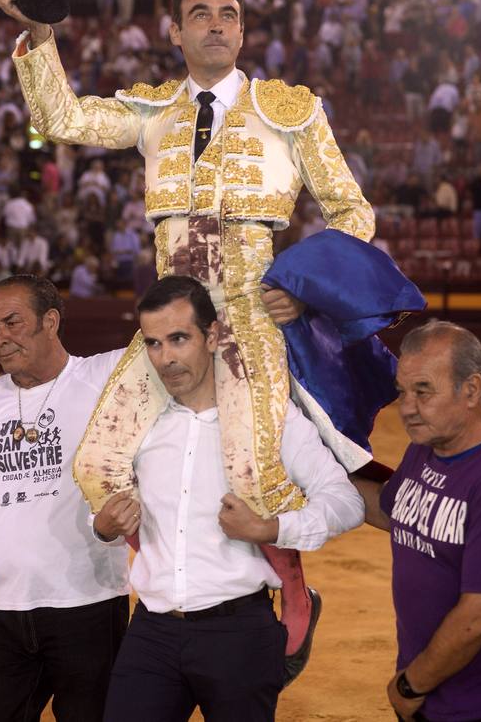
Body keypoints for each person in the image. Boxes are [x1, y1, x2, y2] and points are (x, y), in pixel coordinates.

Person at [0, 0, 375, 671]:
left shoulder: (291, 111)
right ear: (174, 32)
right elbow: (62, 119)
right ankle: (169, 581)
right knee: (100, 461)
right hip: (171, 319)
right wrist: (40, 34)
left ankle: (293, 591)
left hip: (252, 317)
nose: (216, 24)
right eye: (199, 14)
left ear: (242, 30)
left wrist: (306, 288)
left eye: (228, 14)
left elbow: (352, 211)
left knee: (253, 468)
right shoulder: (154, 112)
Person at [94, 275, 365, 721]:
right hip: (152, 631)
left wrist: (270, 529)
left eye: (178, 339)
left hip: (239, 632)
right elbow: (102, 500)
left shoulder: (271, 420)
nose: (166, 358)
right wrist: (102, 529)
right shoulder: (137, 422)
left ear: (213, 335)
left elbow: (345, 501)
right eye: (154, 344)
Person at [0, 275, 129, 722]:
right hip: (6, 610)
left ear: (51, 321)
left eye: (12, 323)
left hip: (88, 606)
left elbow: (173, 331)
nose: (0, 338)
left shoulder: (103, 376)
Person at [352, 321, 481, 722]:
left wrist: (410, 686)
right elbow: (391, 511)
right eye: (403, 391)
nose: (407, 407)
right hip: (435, 695)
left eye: (424, 391)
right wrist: (310, 471)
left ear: (471, 390)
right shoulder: (427, 447)